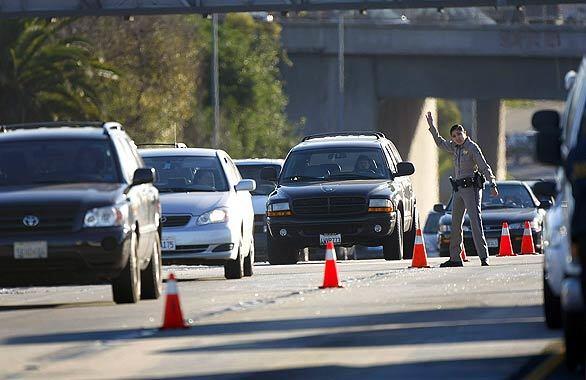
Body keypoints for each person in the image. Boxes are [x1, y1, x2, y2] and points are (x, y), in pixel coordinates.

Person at [426, 111, 498, 267]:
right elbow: (439, 142)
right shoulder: (454, 147)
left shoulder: (472, 148)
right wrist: (432, 126)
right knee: (455, 223)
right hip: (458, 189)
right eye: (454, 135)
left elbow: (484, 166)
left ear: (464, 133)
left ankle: (483, 257)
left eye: (459, 134)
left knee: (475, 222)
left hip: (471, 189)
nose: (457, 137)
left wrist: (492, 183)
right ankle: (455, 258)